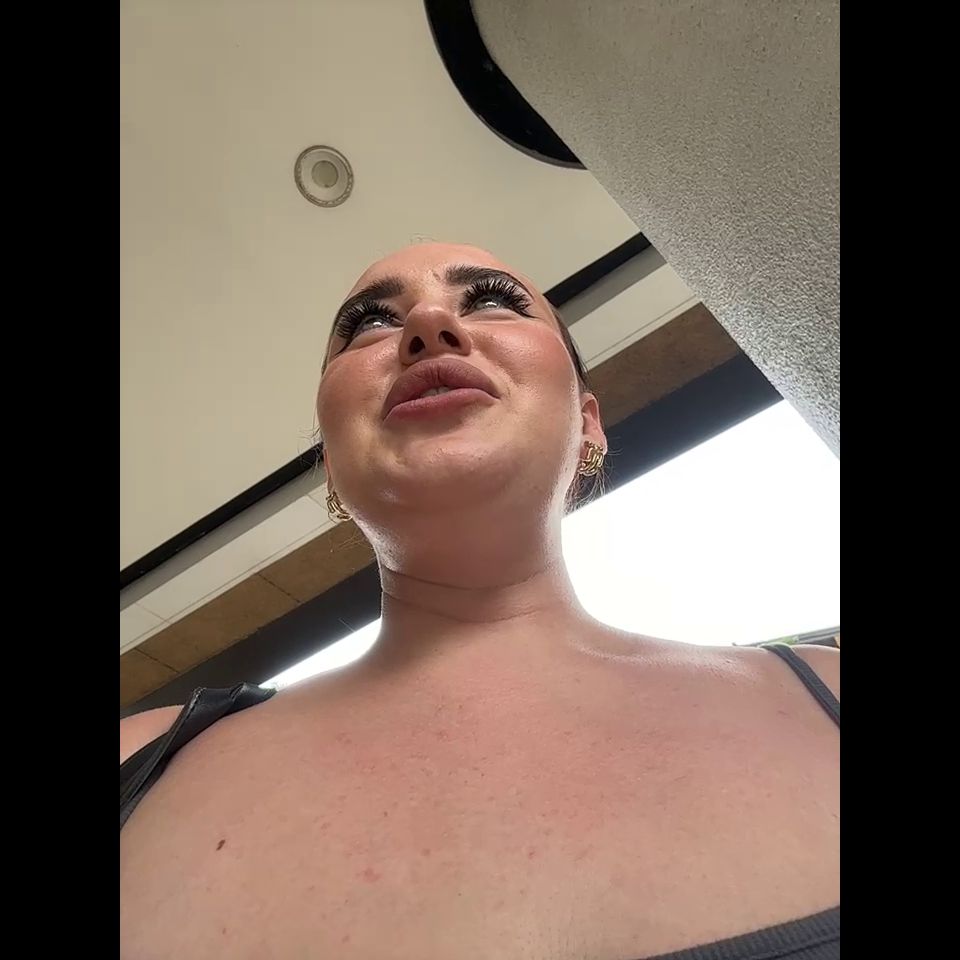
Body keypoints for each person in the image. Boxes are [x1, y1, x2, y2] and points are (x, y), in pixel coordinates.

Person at [120, 243, 839, 959]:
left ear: (587, 422)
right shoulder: (138, 758)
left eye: (494, 300)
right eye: (370, 323)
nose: (427, 325)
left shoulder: (829, 689)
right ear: (330, 465)